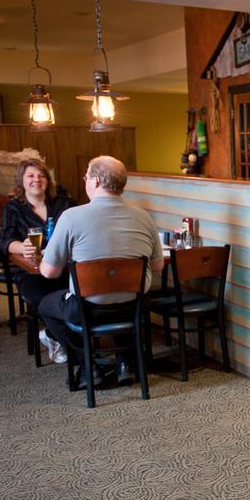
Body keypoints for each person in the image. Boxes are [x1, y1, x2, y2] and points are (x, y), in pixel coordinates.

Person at [38, 156, 164, 388]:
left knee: (46, 304)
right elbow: (158, 266)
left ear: (95, 181)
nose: (85, 180)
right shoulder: (144, 217)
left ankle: (88, 366)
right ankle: (125, 362)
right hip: (135, 308)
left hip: (89, 311)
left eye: (86, 176)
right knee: (121, 294)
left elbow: (49, 272)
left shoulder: (71, 217)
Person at [0, 159, 76, 362]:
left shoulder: (65, 204)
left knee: (77, 297)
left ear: (48, 180)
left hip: (64, 268)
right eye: (30, 175)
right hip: (30, 272)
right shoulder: (12, 208)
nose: (36, 180)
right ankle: (73, 349)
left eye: (41, 175)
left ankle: (51, 335)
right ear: (21, 181)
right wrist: (21, 247)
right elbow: (5, 241)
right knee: (43, 300)